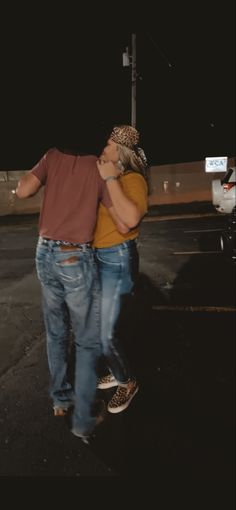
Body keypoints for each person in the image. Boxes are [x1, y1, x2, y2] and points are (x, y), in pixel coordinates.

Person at [15, 147, 112, 442]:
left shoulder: (52, 157)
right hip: (74, 256)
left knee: (56, 332)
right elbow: (117, 212)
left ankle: (60, 399)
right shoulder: (98, 165)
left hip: (44, 251)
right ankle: (83, 417)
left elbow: (22, 191)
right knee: (85, 340)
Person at [94, 125, 148, 413]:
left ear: (121, 152)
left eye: (109, 145)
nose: (103, 149)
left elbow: (127, 222)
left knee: (105, 332)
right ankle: (117, 370)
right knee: (102, 327)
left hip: (117, 259)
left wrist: (110, 178)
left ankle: (127, 382)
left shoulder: (133, 179)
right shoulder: (110, 179)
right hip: (99, 258)